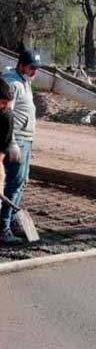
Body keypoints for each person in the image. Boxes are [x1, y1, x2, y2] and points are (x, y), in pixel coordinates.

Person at [1, 50, 40, 243]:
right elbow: (7, 115)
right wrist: (12, 142)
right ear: (21, 65)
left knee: (21, 182)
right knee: (14, 184)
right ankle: (4, 227)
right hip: (17, 142)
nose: (35, 72)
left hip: (26, 140)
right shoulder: (13, 83)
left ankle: (10, 221)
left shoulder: (24, 81)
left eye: (37, 69)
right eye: (32, 67)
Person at [0, 81, 20, 245]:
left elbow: (2, 147)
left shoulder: (7, 116)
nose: (5, 106)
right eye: (3, 102)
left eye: (7, 103)